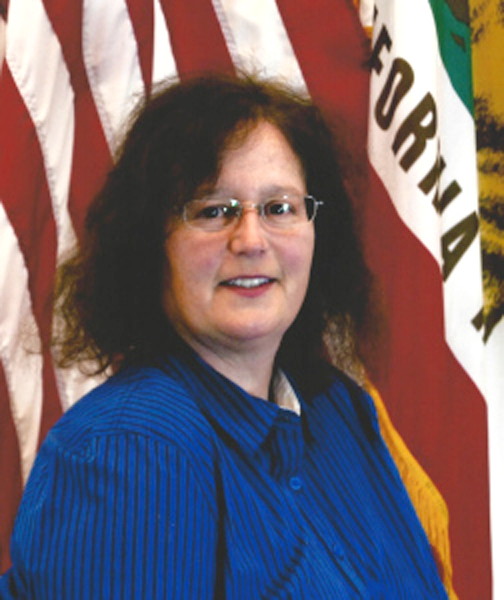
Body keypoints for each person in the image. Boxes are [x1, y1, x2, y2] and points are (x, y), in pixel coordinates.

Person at [0, 72, 448, 598]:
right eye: (214, 211)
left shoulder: (338, 410)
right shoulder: (132, 448)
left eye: (279, 208)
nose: (252, 240)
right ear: (151, 244)